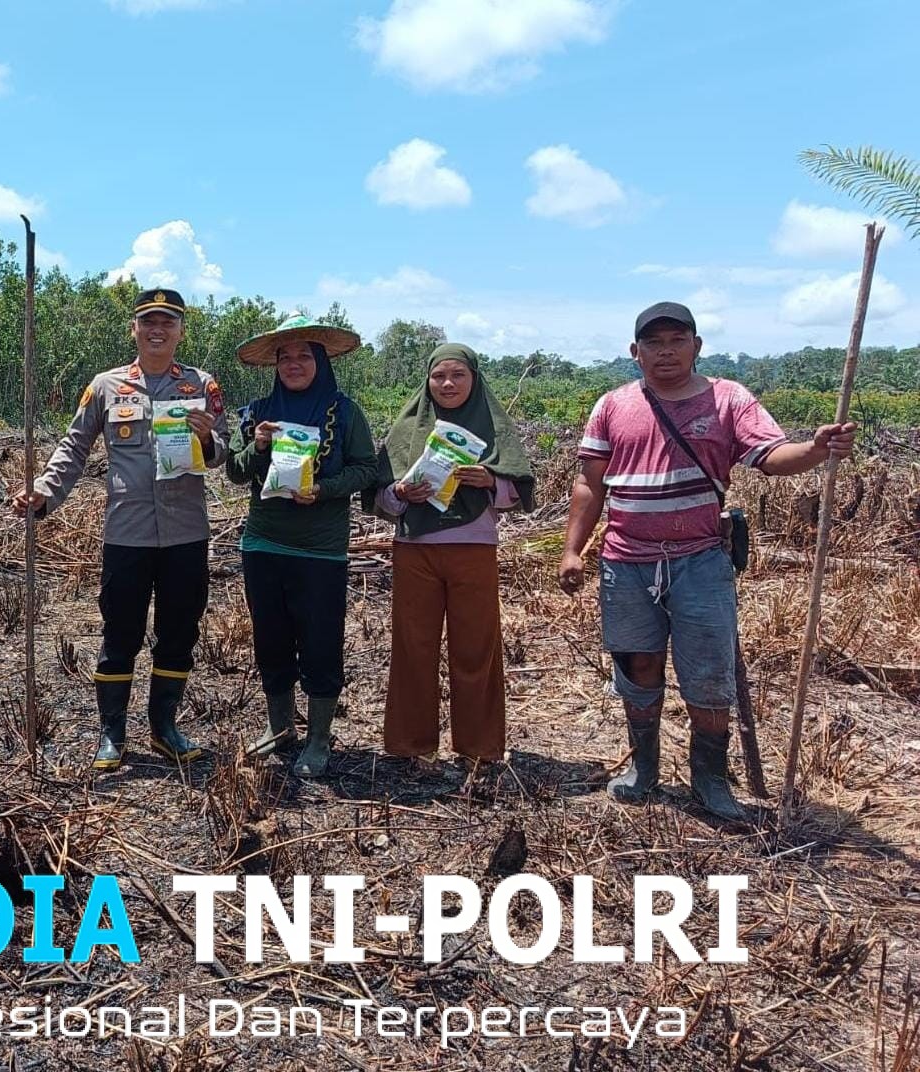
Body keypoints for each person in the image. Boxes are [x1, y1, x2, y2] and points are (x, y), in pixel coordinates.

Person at [559, 301, 857, 820]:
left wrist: (815, 450)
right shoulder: (612, 405)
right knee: (637, 663)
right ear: (635, 353)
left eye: (677, 340)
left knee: (707, 674)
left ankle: (710, 781)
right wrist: (572, 550)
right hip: (626, 561)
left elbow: (772, 457)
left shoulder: (728, 399)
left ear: (697, 346)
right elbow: (590, 483)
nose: (666, 351)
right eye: (654, 343)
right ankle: (644, 769)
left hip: (700, 561)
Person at [12, 288, 228, 771]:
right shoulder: (106, 386)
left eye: (167, 322)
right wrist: (44, 491)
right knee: (120, 632)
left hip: (185, 533)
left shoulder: (202, 385)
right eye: (148, 321)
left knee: (179, 631)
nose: (157, 330)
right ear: (134, 329)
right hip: (126, 534)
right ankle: (112, 733)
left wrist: (207, 437)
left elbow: (224, 454)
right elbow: (74, 446)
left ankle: (164, 728)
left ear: (181, 331)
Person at [225, 314, 377, 777]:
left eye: (303, 356)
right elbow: (233, 470)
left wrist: (324, 490)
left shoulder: (344, 413)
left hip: (320, 550)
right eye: (284, 356)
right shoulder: (256, 413)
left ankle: (318, 738)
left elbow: (368, 469)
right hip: (264, 544)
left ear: (321, 361)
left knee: (320, 642)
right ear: (275, 365)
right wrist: (258, 446)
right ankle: (280, 729)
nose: (293, 364)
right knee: (271, 640)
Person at [371, 343, 535, 770]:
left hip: (473, 550)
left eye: (458, 375)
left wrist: (489, 480)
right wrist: (401, 493)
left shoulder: (493, 426)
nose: (447, 384)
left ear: (474, 379)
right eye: (439, 376)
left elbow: (518, 490)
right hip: (414, 551)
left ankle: (479, 749)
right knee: (412, 646)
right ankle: (409, 746)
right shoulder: (408, 428)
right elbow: (379, 498)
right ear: (427, 381)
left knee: (476, 648)